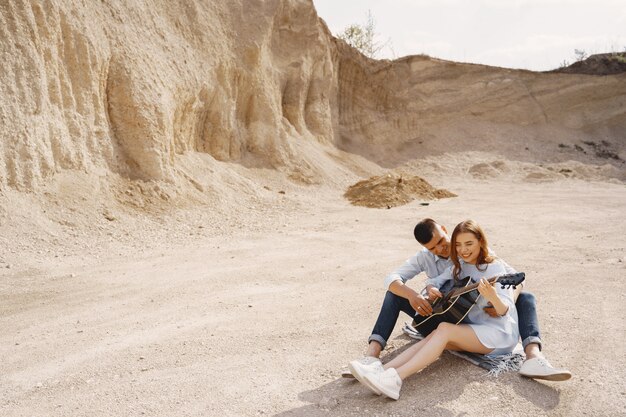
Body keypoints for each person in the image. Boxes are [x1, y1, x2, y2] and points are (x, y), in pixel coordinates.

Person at [345, 218, 571, 382]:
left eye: (444, 242)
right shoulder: (452, 260)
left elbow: (516, 279)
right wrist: (422, 291)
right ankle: (375, 364)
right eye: (433, 248)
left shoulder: (483, 258)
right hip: (450, 314)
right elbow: (408, 278)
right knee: (398, 296)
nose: (444, 250)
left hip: (486, 323)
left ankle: (533, 356)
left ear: (445, 231)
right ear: (425, 248)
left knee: (526, 297)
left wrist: (499, 300)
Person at [350, 220, 522, 399]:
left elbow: (504, 311)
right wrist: (431, 288)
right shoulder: (460, 265)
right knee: (435, 334)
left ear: (480, 241)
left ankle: (395, 380)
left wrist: (493, 296)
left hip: (499, 333)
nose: (463, 250)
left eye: (469, 244)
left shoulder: (495, 268)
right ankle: (381, 372)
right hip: (474, 329)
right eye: (458, 245)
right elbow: (434, 281)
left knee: (445, 330)